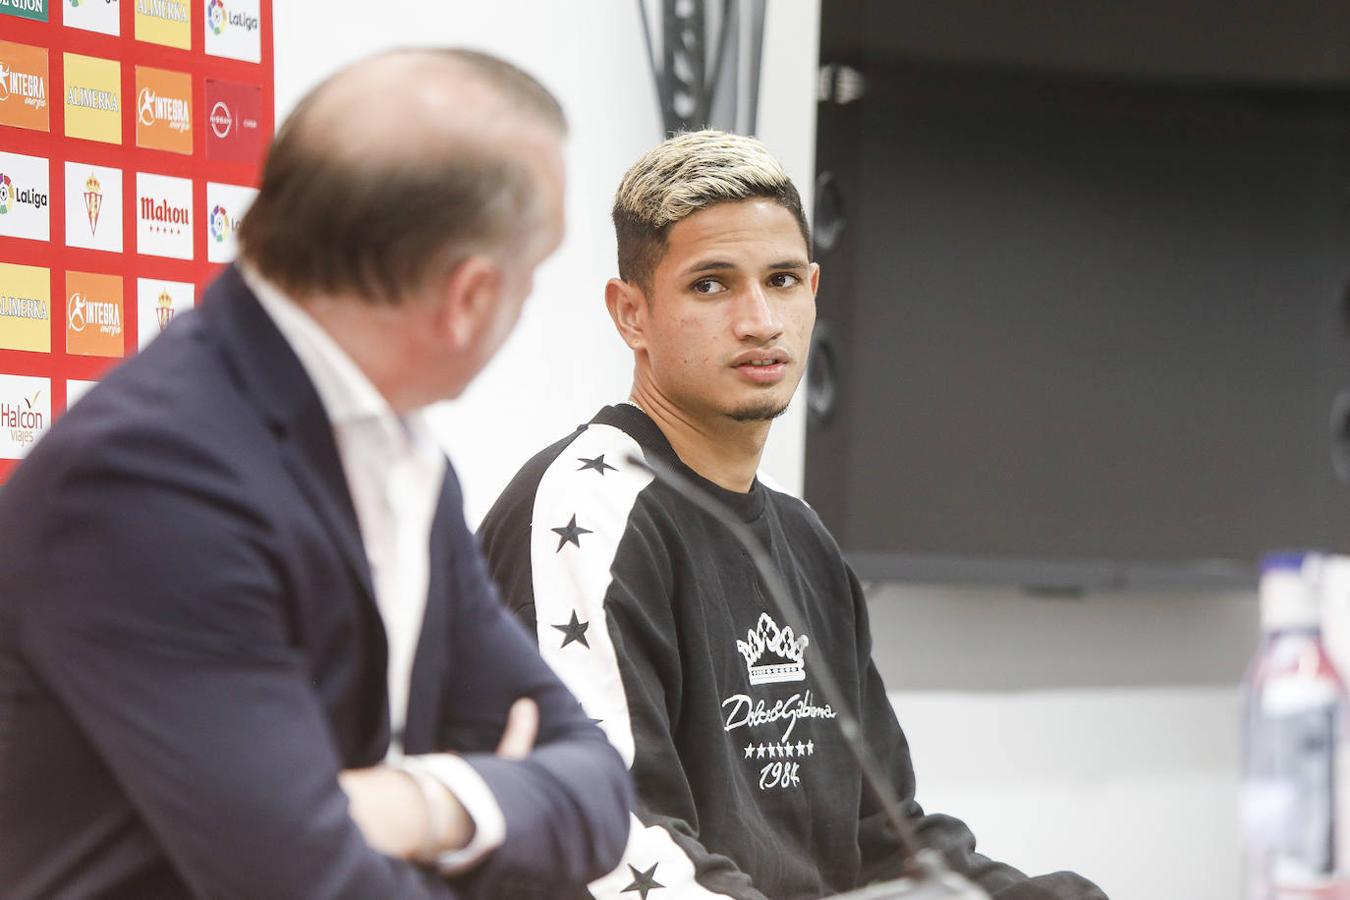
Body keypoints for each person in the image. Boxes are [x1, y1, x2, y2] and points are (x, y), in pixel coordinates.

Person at [0, 49, 631, 899]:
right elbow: (310, 883)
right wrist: (484, 811)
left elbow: (595, 786)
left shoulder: (403, 457)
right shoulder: (150, 480)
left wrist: (422, 804)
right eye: (535, 278)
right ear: (469, 297)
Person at [478, 130, 1106, 899]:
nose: (759, 320)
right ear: (630, 314)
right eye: (711, 285)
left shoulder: (800, 535)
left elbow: (883, 838)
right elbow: (607, 842)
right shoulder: (585, 508)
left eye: (780, 281)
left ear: (812, 290)